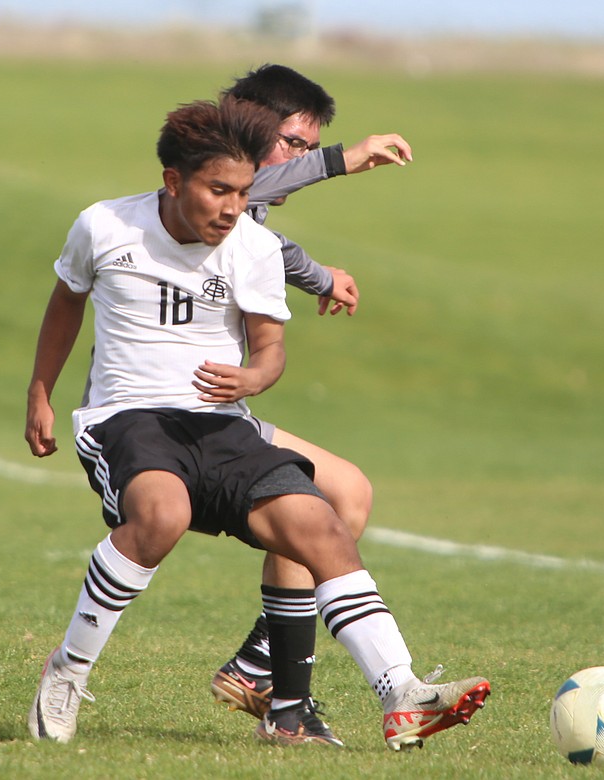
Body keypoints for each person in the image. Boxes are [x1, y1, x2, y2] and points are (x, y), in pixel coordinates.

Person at [24, 96, 489, 750]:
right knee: (161, 516)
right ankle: (68, 670)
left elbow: (271, 349)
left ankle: (401, 692)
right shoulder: (104, 227)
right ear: (173, 182)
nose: (232, 207)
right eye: (218, 191)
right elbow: (66, 301)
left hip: (221, 426)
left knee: (321, 521)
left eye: (243, 192)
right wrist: (40, 393)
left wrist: (252, 378)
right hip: (128, 419)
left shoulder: (253, 247)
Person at [203, 64, 417, 732]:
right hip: (176, 421)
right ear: (248, 122)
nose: (296, 158)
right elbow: (259, 195)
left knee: (347, 494)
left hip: (216, 411)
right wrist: (341, 161)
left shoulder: (241, 206)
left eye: (306, 146)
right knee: (323, 503)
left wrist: (321, 276)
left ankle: (270, 682)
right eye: (293, 141)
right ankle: (278, 687)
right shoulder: (206, 180)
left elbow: (264, 238)